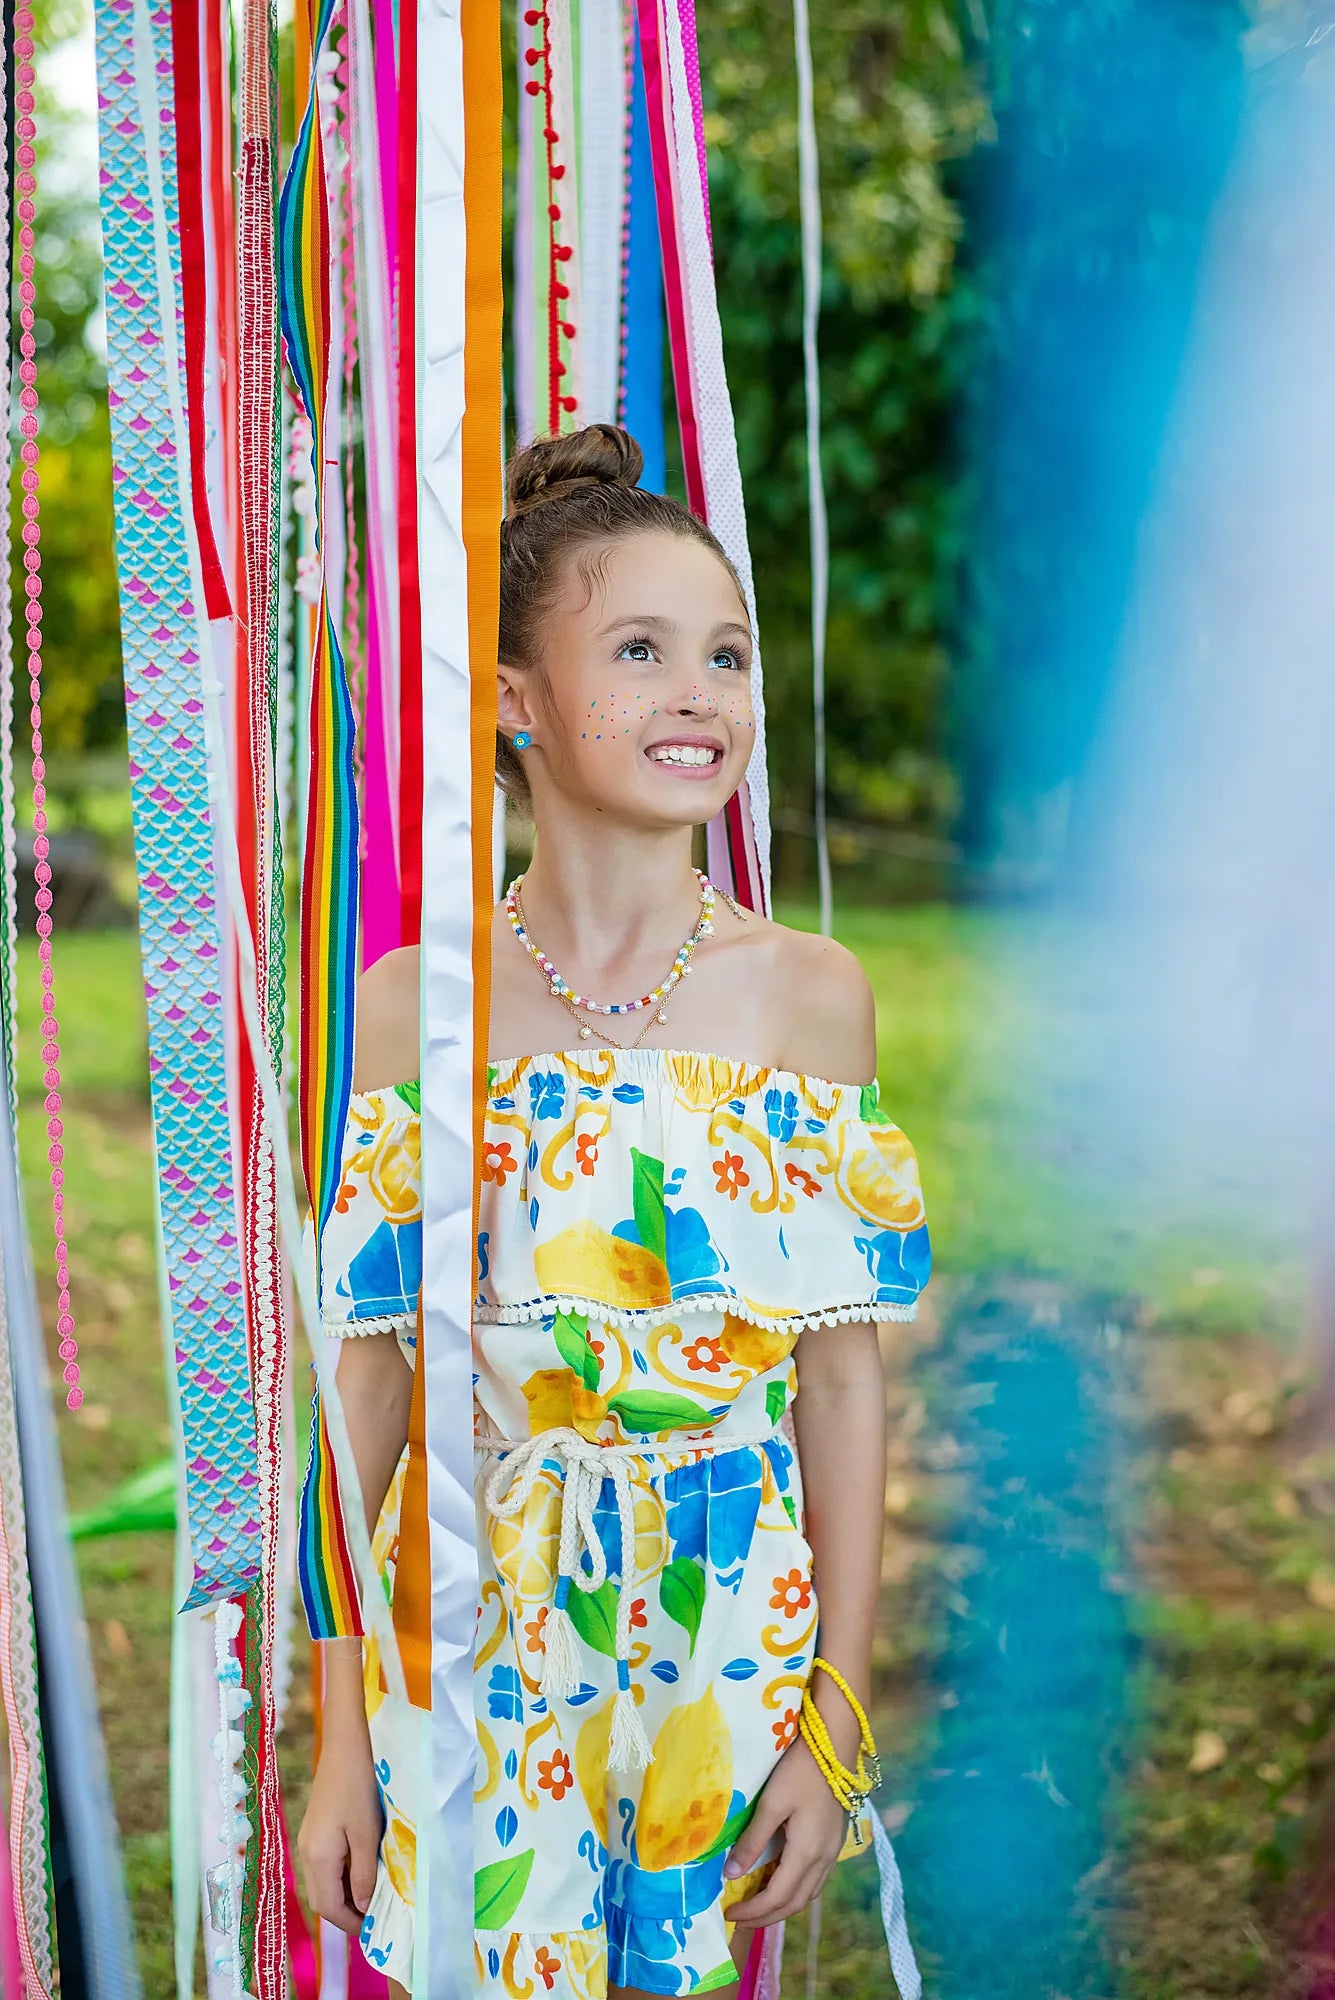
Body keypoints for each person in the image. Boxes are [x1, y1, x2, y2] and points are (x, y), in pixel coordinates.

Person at [297, 423, 930, 2000]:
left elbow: (841, 1385)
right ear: (513, 701)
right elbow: (365, 1391)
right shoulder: (413, 1011)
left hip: (723, 1615)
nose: (698, 693)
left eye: (724, 655)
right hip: (474, 1603)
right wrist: (333, 1739)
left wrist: (834, 1718)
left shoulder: (806, 1001)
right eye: (639, 649)